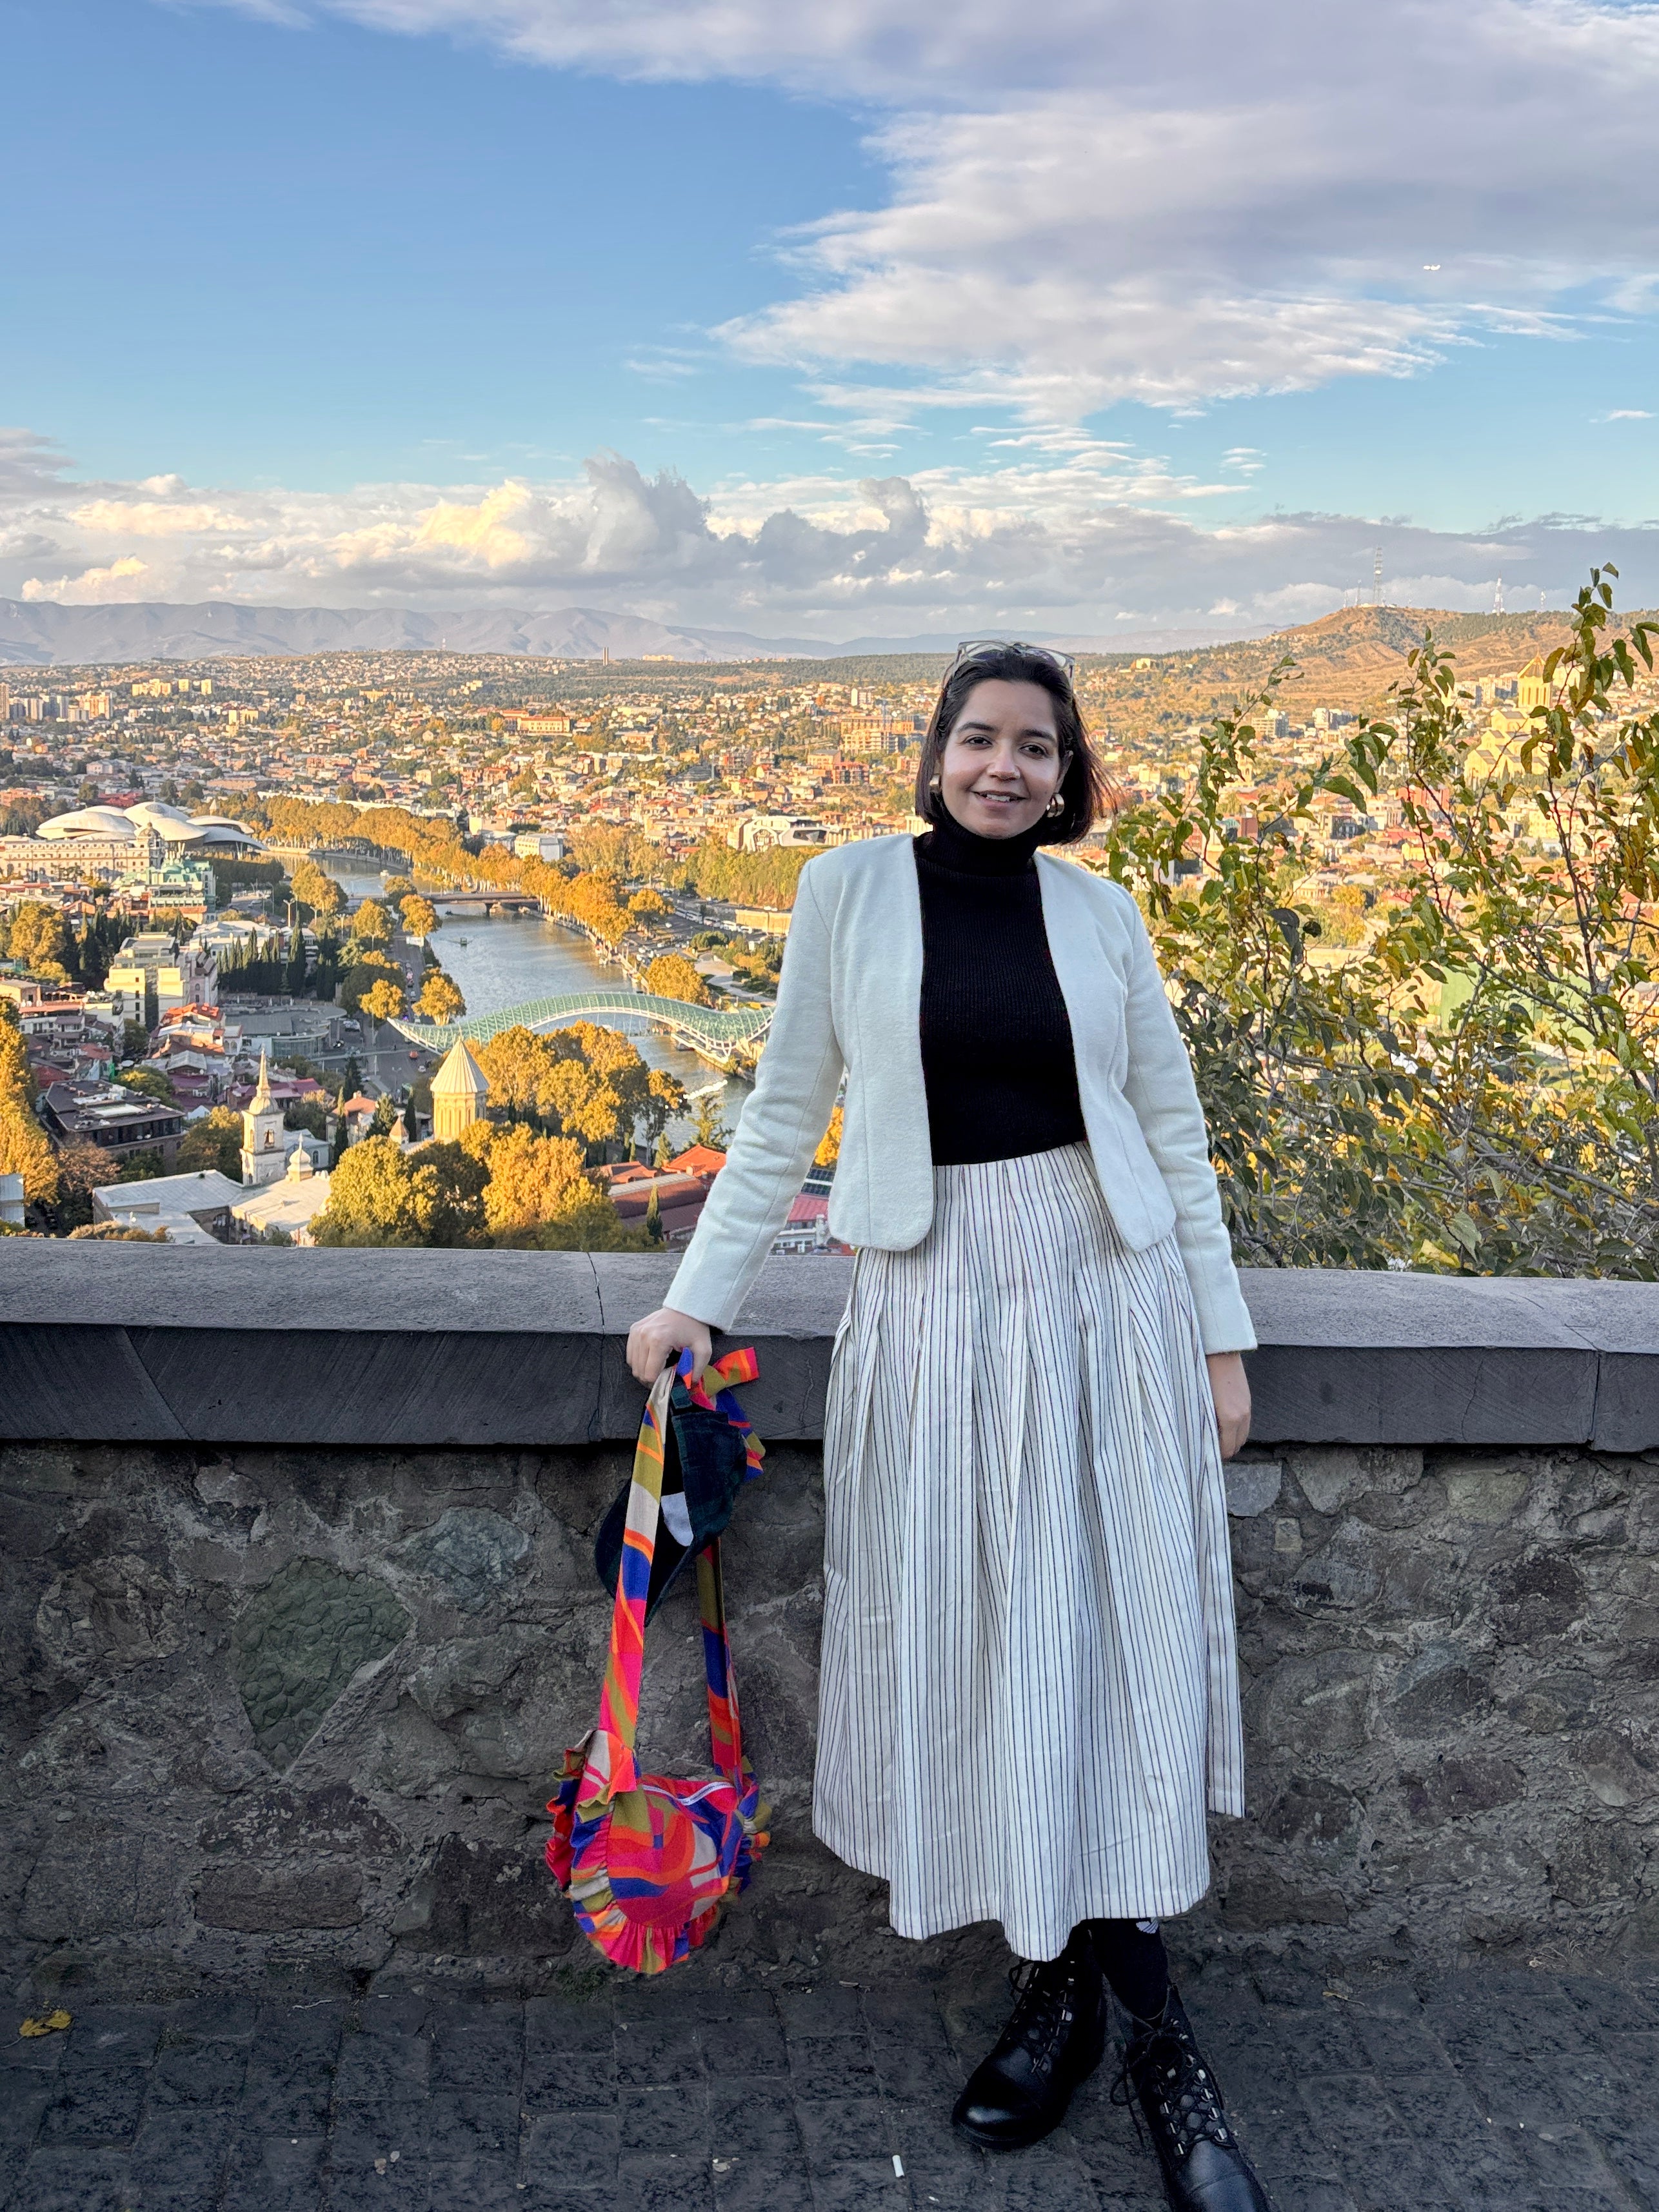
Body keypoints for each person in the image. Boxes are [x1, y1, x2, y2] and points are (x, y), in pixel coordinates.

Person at [628, 642, 1270, 2211]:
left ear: (1066, 778)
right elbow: (785, 1109)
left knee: (1104, 1633)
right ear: (932, 756)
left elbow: (1171, 1135)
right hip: (930, 1296)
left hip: (1102, 1288)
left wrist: (1220, 1338)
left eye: (1034, 748)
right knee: (991, 1632)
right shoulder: (845, 891)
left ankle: (1121, 2015)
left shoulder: (1097, 914)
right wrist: (698, 1298)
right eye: (977, 739)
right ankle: (1100, 2000)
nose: (1003, 766)